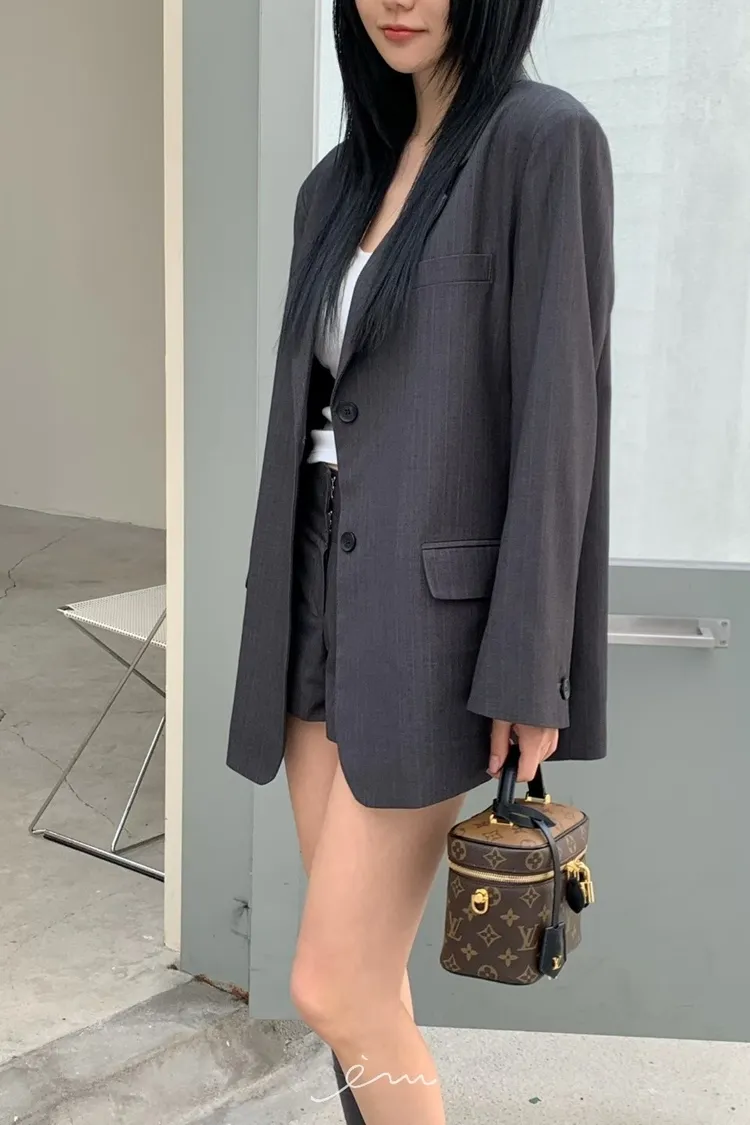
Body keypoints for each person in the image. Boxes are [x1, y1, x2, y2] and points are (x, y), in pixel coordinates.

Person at [226, 0, 615, 1121]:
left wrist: (531, 668)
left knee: (333, 984)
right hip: (311, 587)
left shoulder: (544, 141)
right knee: (367, 982)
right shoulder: (335, 184)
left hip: (433, 620)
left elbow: (560, 420)